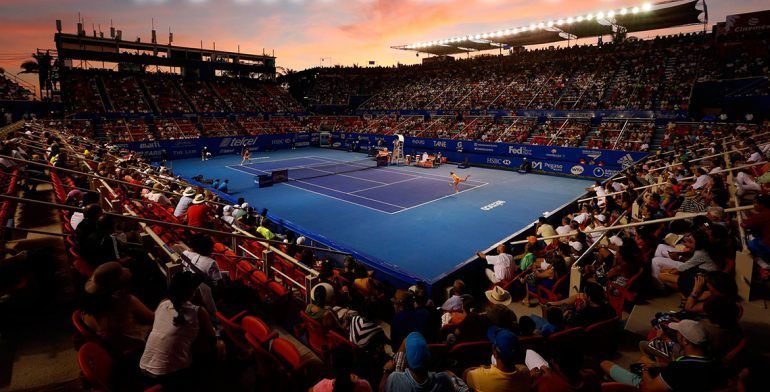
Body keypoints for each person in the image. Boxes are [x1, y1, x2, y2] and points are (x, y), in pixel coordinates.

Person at [140, 272, 224, 390]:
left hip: (143, 367)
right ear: (193, 292)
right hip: (169, 375)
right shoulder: (198, 311)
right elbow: (212, 339)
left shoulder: (163, 304)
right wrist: (218, 331)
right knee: (219, 345)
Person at [601, 319, 727, 391]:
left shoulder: (678, 369)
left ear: (684, 341)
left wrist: (645, 370)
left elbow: (648, 389)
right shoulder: (715, 361)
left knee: (605, 364)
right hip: (677, 380)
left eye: (678, 333)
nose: (676, 334)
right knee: (643, 359)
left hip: (649, 387)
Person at [381, 332, 456, 392]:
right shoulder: (443, 380)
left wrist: (386, 371)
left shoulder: (395, 378)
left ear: (406, 362)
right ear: (429, 359)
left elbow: (382, 389)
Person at [464, 327, 531, 392]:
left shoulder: (479, 376)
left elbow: (465, 374)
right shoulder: (525, 372)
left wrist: (484, 368)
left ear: (495, 352)